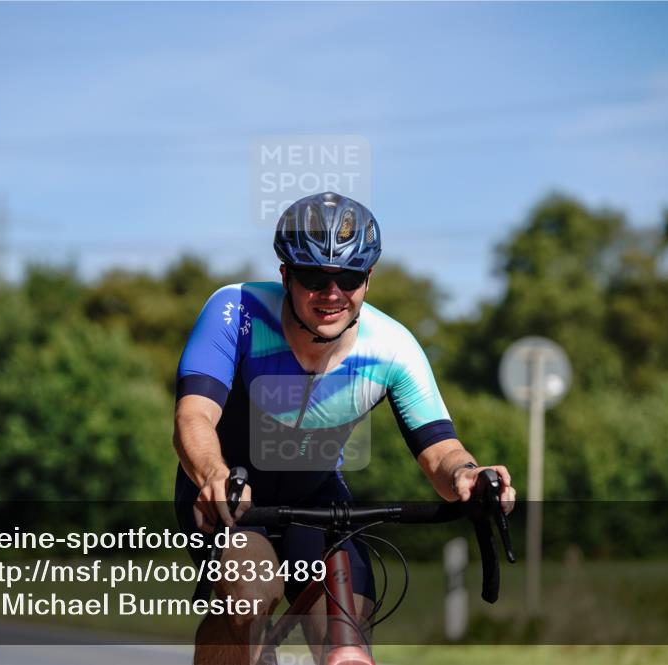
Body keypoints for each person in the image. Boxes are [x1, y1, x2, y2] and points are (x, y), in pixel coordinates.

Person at [173, 191, 516, 665]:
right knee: (249, 593)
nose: (331, 294)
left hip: (317, 499)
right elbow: (193, 416)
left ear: (369, 280)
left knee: (345, 637)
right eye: (314, 276)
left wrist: (468, 475)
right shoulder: (238, 310)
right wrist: (213, 474)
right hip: (230, 493)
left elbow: (440, 451)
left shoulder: (392, 347)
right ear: (285, 275)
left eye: (348, 277)